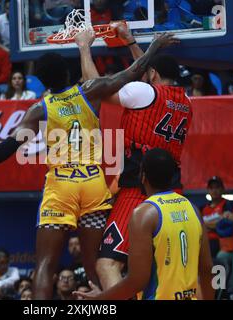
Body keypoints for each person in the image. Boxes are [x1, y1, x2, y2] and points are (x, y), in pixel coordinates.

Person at [0, 30, 177, 299]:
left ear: (43, 81)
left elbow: (8, 148)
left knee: (46, 264)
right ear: (69, 76)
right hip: (93, 183)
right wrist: (153, 48)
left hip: (62, 185)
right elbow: (131, 73)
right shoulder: (90, 92)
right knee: (95, 265)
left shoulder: (40, 109)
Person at [76, 23, 190, 291]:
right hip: (173, 193)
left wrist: (84, 48)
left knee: (108, 264)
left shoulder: (144, 92)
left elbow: (94, 87)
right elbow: (146, 74)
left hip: (139, 191)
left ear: (152, 74)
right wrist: (130, 41)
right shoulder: (186, 100)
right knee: (149, 267)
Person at [73, 148, 214, 300]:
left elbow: (136, 281)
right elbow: (207, 270)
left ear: (143, 176)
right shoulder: (193, 209)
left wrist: (102, 298)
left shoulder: (144, 214)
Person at [200, 176, 233, 257]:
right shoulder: (202, 208)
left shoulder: (228, 205)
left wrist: (205, 224)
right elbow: (198, 225)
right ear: (208, 190)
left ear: (222, 189)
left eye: (217, 187)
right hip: (204, 240)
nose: (214, 190)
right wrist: (215, 223)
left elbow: (224, 225)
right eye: (211, 188)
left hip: (220, 241)